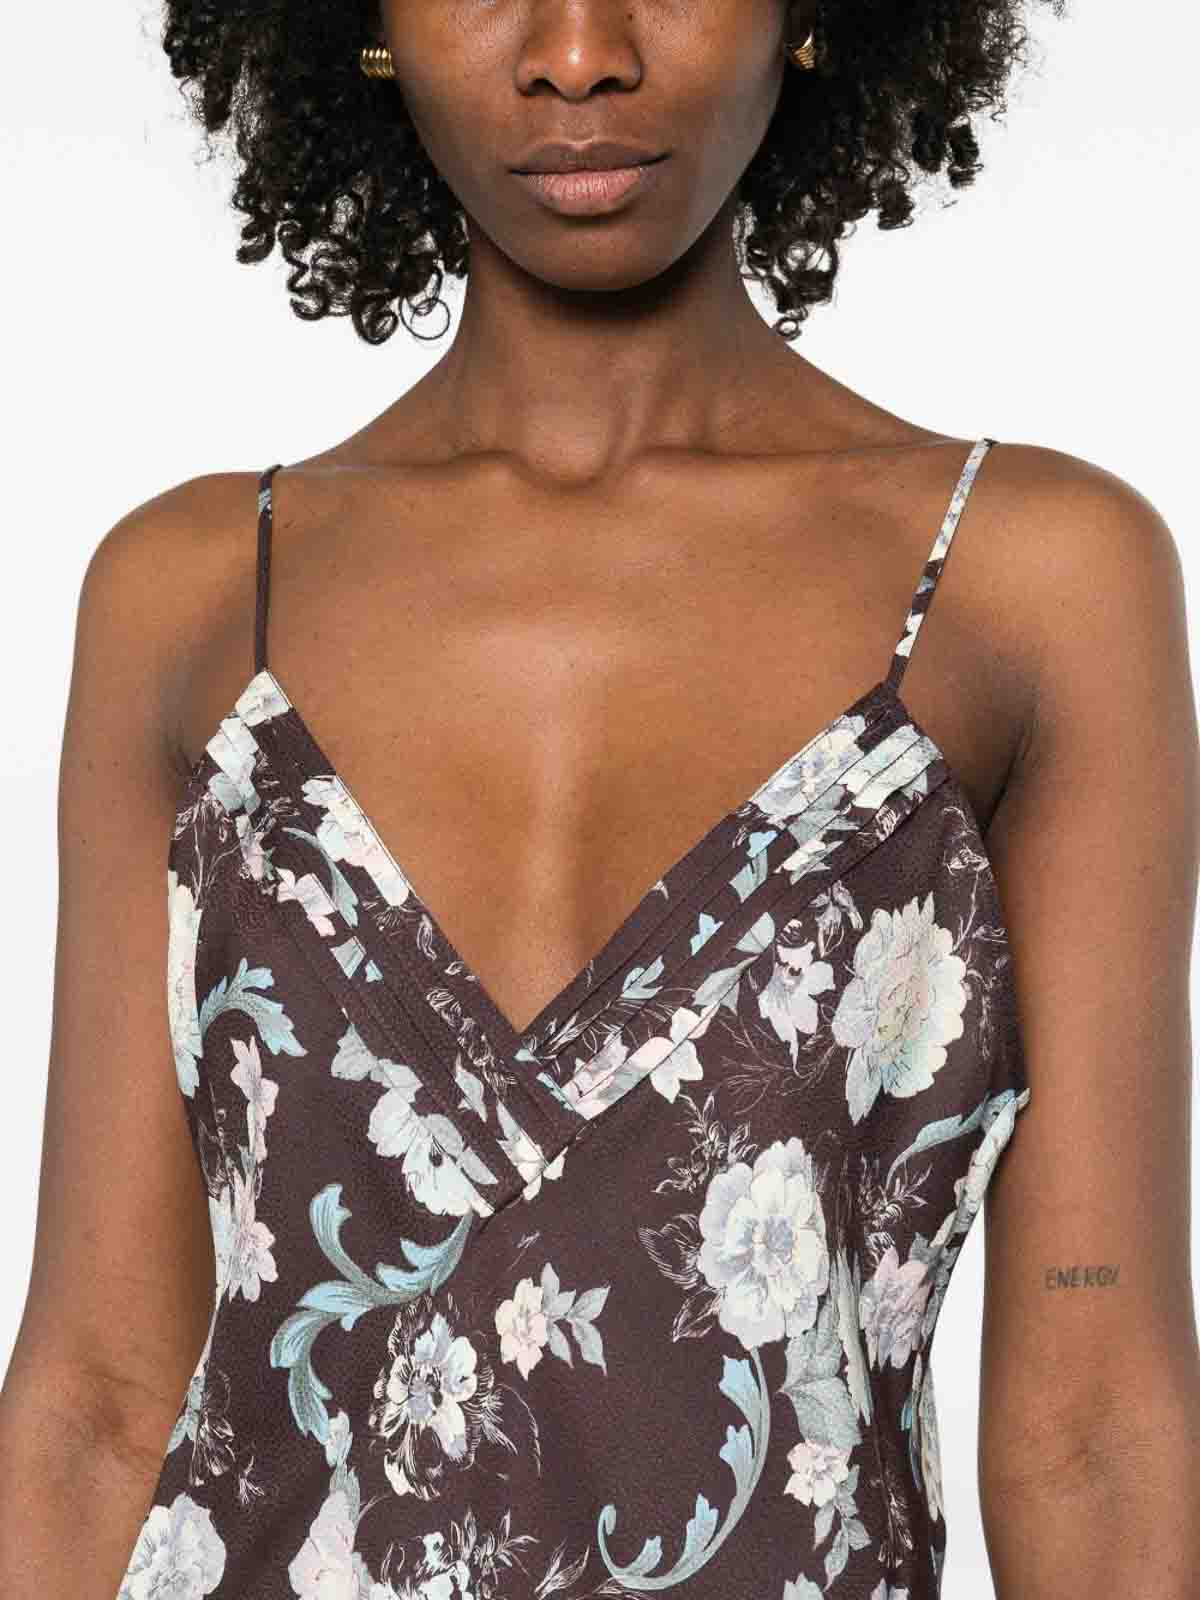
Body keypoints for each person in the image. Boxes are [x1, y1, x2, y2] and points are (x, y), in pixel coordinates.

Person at [2, 2, 1198, 1596]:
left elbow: (1096, 1423)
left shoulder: (1028, 586)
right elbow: (93, 1403)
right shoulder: (196, 598)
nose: (578, 53)